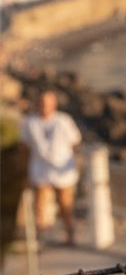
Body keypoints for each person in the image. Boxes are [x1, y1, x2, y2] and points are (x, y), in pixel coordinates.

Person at [22, 90, 82, 246]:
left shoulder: (63, 120)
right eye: (42, 103)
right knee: (40, 206)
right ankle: (39, 239)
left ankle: (70, 236)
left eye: (48, 103)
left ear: (54, 105)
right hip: (40, 171)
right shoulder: (30, 122)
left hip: (62, 172)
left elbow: (75, 141)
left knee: (66, 206)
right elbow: (25, 146)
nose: (44, 107)